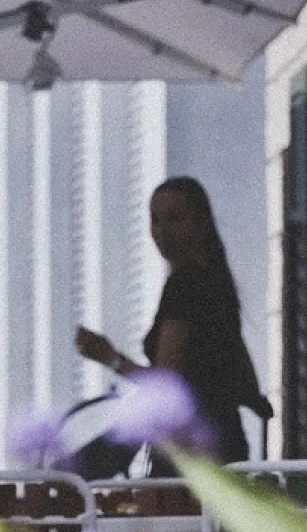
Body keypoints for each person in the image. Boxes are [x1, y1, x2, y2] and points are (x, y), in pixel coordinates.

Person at [76, 176, 270, 464]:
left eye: (174, 219)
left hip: (189, 450)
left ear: (200, 223)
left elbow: (166, 383)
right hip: (226, 441)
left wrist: (110, 358)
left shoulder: (184, 286)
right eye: (155, 220)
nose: (162, 232)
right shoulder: (218, 282)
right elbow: (242, 372)